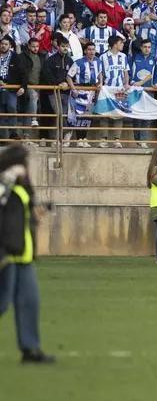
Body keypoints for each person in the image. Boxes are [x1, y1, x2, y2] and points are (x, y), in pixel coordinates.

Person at [0, 145, 53, 363]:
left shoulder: (23, 188)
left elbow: (26, 217)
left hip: (24, 256)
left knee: (30, 302)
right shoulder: (6, 185)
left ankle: (30, 349)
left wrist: (40, 211)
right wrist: (7, 178)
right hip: (6, 255)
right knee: (2, 304)